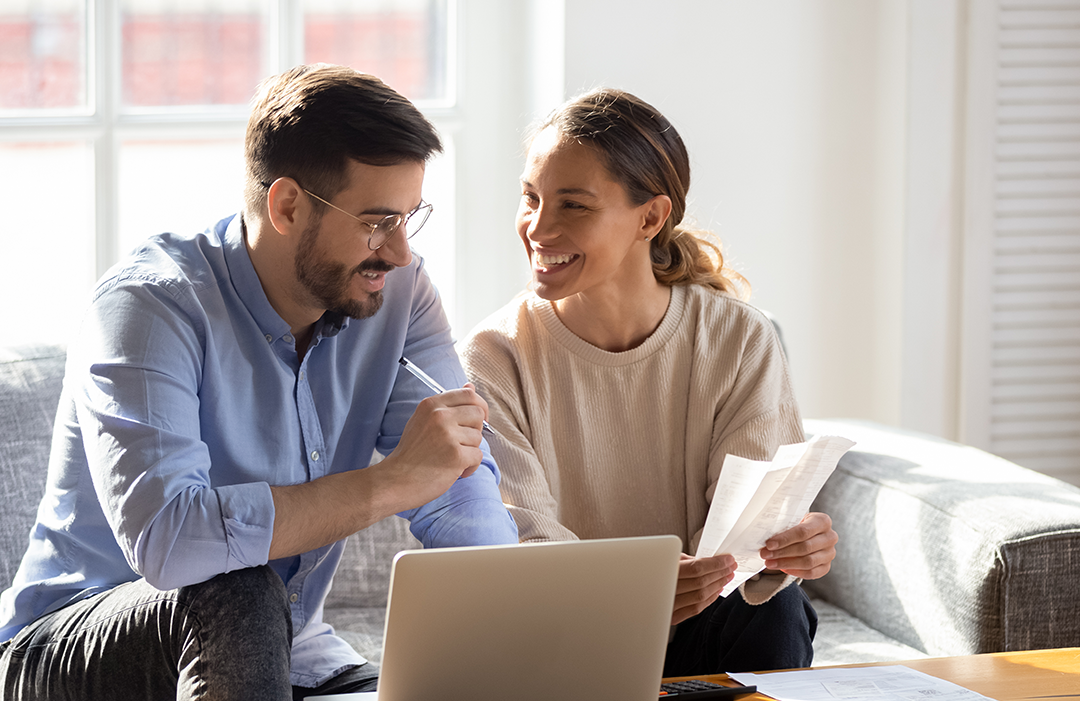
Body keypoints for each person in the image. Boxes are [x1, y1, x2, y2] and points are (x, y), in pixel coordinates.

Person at [0, 64, 517, 700]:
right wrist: (389, 482)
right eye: (377, 221)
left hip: (292, 652)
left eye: (411, 218)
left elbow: (458, 484)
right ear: (288, 205)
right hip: (72, 648)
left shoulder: (400, 294)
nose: (401, 251)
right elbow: (172, 542)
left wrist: (509, 636)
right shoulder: (150, 307)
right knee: (238, 586)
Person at [459, 88, 837, 675]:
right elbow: (521, 545)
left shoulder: (739, 338)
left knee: (775, 611)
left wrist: (787, 551)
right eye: (530, 198)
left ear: (651, 217)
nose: (538, 227)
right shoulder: (493, 356)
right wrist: (638, 592)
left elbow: (747, 536)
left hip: (703, 619)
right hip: (564, 633)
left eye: (573, 206)